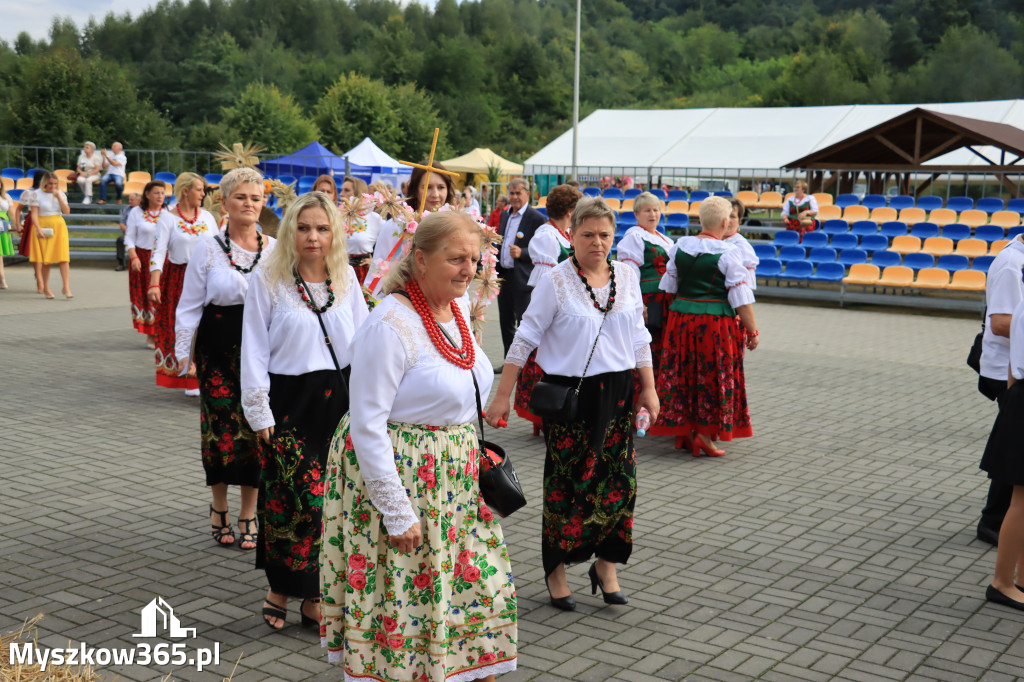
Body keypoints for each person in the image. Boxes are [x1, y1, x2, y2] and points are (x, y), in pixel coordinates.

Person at [321, 211, 517, 680]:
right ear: (421, 260)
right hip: (404, 480)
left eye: (473, 258)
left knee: (474, 590)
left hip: (453, 484)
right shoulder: (389, 323)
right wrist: (396, 510)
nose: (467, 269)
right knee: (407, 598)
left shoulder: (455, 308)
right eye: (455, 259)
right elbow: (367, 424)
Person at [487, 197, 655, 612]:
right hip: (570, 398)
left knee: (620, 486)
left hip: (618, 393)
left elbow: (638, 338)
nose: (597, 242)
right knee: (569, 487)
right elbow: (525, 337)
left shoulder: (627, 276)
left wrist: (649, 389)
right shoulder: (556, 280)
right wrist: (503, 394)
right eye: (587, 234)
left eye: (604, 235)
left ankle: (606, 565)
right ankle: (555, 569)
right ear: (571, 235)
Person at [241, 191, 368, 630]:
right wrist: (259, 410)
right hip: (288, 402)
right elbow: (254, 347)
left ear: (334, 232)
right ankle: (279, 586)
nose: (312, 236)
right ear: (290, 230)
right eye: (303, 227)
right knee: (291, 503)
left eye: (322, 228)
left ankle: (315, 593)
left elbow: (369, 344)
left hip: (340, 401)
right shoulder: (268, 278)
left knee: (331, 504)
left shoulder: (347, 278)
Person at [174, 167, 276, 553]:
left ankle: (250, 512)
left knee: (257, 428)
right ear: (225, 201)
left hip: (263, 347)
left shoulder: (275, 246)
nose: (249, 204)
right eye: (241, 197)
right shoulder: (208, 246)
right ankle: (219, 506)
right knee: (220, 430)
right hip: (218, 348)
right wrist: (186, 355)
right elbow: (189, 304)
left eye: (256, 197)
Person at [657, 196, 759, 457]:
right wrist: (752, 331)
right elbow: (741, 299)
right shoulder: (729, 253)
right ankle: (704, 435)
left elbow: (668, 288)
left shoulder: (679, 247)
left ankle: (686, 433)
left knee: (684, 374)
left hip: (680, 321)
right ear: (725, 223)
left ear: (700, 220)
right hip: (714, 325)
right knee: (711, 376)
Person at [514, 184, 582, 433]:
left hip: (567, 305)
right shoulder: (546, 236)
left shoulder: (562, 233)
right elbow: (546, 280)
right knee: (544, 360)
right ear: (569, 210)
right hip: (553, 308)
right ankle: (542, 410)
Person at [149, 172, 218, 393]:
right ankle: (189, 374)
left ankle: (202, 374)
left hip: (207, 278)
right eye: (199, 189)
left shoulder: (207, 217)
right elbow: (158, 252)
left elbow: (219, 248)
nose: (203, 193)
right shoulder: (168, 218)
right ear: (185, 191)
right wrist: (154, 283)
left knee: (206, 327)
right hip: (179, 278)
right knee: (185, 326)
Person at [976, 233, 1024, 546]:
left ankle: (998, 518)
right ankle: (993, 521)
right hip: (1006, 369)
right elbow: (1001, 323)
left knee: (1014, 447)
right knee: (1014, 449)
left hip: (1015, 365)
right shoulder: (1012, 263)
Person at [981, 286, 1024, 611]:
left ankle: (1019, 579)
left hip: (1020, 395)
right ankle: (1003, 582)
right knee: (1021, 500)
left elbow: (1013, 363)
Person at [617, 191, 676, 424]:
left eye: (656, 210)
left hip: (666, 302)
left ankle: (653, 408)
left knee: (659, 355)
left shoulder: (665, 239)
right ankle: (633, 411)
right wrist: (638, 302)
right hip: (648, 301)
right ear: (636, 214)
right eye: (647, 210)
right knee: (644, 352)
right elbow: (630, 273)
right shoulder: (635, 236)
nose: (653, 214)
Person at [363, 162, 456, 298]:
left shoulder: (453, 227)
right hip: (402, 302)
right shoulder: (397, 225)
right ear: (416, 190)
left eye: (441, 187)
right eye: (427, 187)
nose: (435, 194)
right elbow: (379, 269)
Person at [496, 178, 545, 357]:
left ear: (527, 194)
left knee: (524, 323)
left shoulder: (537, 218)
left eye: (518, 193)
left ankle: (525, 364)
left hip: (523, 278)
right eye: (512, 193)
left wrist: (523, 252)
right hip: (503, 276)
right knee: (505, 322)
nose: (515, 197)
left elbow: (543, 250)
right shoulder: (504, 215)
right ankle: (509, 360)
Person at [125, 185, 164, 347]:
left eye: (162, 193)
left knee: (163, 296)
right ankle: (150, 333)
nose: (160, 196)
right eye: (156, 193)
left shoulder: (168, 214)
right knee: (146, 296)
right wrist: (134, 257)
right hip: (142, 258)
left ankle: (162, 331)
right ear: (147, 194)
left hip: (163, 259)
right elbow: (129, 238)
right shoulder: (136, 213)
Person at [29, 171, 72, 300]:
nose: (53, 186)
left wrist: (58, 196)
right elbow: (34, 214)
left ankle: (66, 287)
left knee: (64, 258)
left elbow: (67, 211)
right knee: (46, 259)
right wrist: (38, 228)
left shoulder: (60, 194)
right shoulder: (36, 194)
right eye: (50, 184)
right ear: (44, 183)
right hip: (43, 225)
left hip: (58, 225)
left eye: (55, 183)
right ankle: (46, 287)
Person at [725, 197, 758, 290]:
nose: (727, 220)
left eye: (732, 216)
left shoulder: (742, 246)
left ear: (739, 221)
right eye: (725, 215)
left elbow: (748, 287)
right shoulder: (710, 242)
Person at [115, 193, 141, 271]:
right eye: (129, 199)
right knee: (120, 240)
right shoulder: (126, 208)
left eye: (132, 200)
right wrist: (128, 231)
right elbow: (122, 223)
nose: (129, 201)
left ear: (138, 200)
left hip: (141, 234)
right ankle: (121, 264)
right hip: (129, 233)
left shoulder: (143, 209)